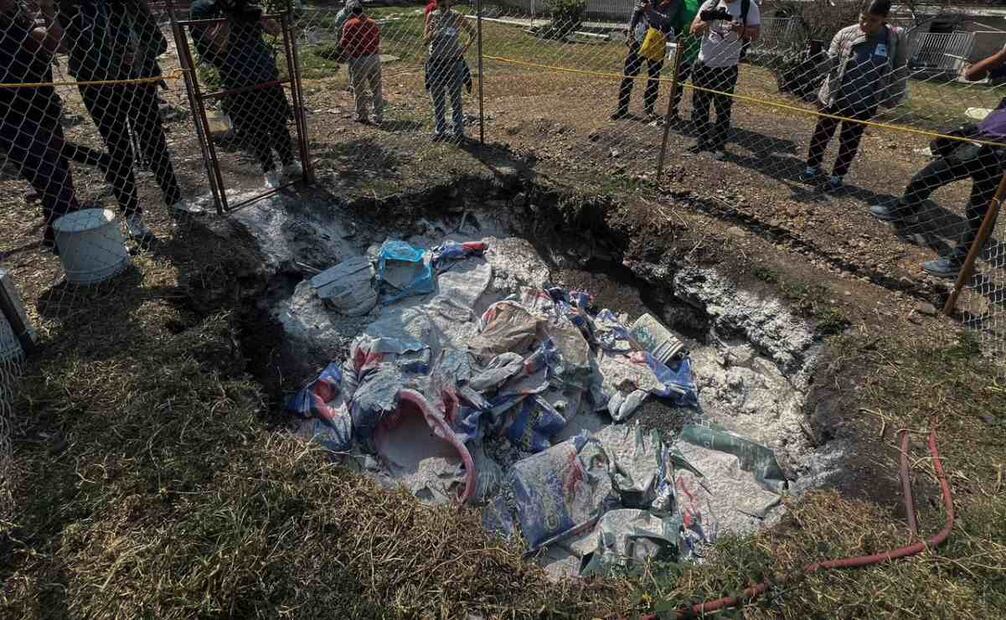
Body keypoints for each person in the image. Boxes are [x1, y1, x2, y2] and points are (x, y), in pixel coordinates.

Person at [56, 0, 201, 243]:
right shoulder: (74, 7)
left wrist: (139, 52)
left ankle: (176, 202)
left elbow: (159, 41)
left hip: (139, 82)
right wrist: (109, 57)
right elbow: (66, 47)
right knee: (119, 150)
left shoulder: (132, 5)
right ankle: (134, 218)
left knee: (154, 143)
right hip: (99, 88)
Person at [870, 48, 1006, 279]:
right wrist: (1002, 54)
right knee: (930, 175)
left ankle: (960, 263)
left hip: (1002, 156)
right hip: (982, 139)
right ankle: (905, 210)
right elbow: (971, 75)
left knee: (981, 210)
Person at [190, 0, 303, 190]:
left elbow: (275, 30)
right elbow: (218, 47)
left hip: (264, 74)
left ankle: (289, 162)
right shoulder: (203, 8)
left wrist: (255, 12)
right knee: (255, 128)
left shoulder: (244, 5)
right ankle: (269, 170)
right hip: (238, 79)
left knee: (278, 122)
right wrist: (227, 15)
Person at [800, 0, 907, 191]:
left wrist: (894, 96)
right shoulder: (845, 34)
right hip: (833, 96)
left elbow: (899, 69)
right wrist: (817, 57)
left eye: (872, 20)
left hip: (864, 101)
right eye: (862, 19)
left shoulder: (893, 39)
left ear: (884, 19)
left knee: (849, 141)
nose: (865, 24)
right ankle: (811, 168)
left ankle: (836, 178)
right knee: (821, 134)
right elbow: (829, 65)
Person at [1, 0, 82, 251]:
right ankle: (73, 246)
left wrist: (47, 9)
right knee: (52, 180)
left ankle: (56, 235)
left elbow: (56, 43)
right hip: (11, 117)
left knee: (59, 178)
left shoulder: (18, 15)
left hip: (43, 107)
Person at [687, 0, 760, 159]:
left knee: (723, 109)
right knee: (700, 106)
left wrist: (737, 27)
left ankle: (718, 144)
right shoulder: (710, 4)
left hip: (727, 67)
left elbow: (755, 35)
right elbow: (693, 30)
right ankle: (701, 139)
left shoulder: (748, 6)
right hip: (703, 64)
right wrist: (708, 21)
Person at [612, 0, 682, 121]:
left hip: (657, 41)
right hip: (639, 40)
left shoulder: (674, 2)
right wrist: (630, 31)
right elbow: (636, 12)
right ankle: (622, 108)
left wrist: (649, 11)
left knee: (654, 77)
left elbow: (666, 20)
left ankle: (649, 108)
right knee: (628, 74)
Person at [424, 0, 474, 143]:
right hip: (435, 63)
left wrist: (464, 48)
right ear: (437, 5)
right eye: (443, 6)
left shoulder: (457, 16)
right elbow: (425, 41)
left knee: (455, 98)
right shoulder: (432, 16)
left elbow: (472, 33)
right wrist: (432, 33)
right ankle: (440, 130)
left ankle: (458, 132)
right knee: (438, 98)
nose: (446, 9)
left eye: (449, 6)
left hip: (453, 62)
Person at [341, 0, 383, 124]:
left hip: (359, 58)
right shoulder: (373, 23)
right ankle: (378, 115)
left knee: (359, 88)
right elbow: (377, 39)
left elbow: (344, 43)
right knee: (376, 87)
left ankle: (362, 114)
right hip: (374, 57)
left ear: (350, 11)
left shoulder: (349, 24)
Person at [668, 0, 701, 123]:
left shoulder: (711, 3)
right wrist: (678, 41)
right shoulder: (685, 2)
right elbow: (675, 25)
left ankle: (697, 116)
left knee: (699, 86)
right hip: (685, 50)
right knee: (678, 83)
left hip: (702, 53)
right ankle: (672, 112)